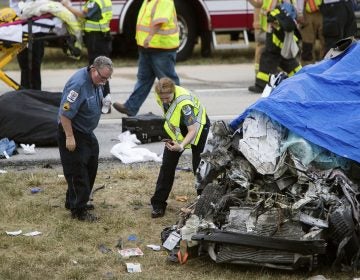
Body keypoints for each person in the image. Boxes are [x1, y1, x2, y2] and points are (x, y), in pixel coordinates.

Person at [57, 56, 113, 222]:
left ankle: (73, 200)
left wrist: (105, 103)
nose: (104, 82)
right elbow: (65, 114)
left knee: (91, 164)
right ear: (93, 69)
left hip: (86, 132)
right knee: (77, 171)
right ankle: (78, 210)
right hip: (72, 131)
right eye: (102, 78)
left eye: (107, 79)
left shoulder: (97, 81)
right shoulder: (78, 85)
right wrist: (69, 137)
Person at [150, 77, 210, 218]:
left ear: (173, 91)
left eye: (167, 98)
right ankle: (158, 204)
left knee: (199, 166)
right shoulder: (160, 94)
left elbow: (192, 130)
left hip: (197, 127)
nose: (164, 101)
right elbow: (172, 115)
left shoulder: (184, 105)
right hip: (177, 127)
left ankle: (204, 204)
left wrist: (181, 146)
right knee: (167, 166)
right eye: (162, 98)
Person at [112, 0, 180, 117]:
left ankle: (178, 111)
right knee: (143, 80)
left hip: (161, 48)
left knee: (167, 83)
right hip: (147, 48)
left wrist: (149, 36)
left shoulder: (163, 1)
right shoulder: (148, 1)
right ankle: (130, 107)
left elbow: (159, 22)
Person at [61, 0, 113, 114]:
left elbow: (84, 14)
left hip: (96, 39)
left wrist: (68, 6)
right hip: (101, 37)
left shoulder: (95, 2)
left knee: (97, 72)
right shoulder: (102, 1)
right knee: (100, 71)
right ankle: (104, 101)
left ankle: (103, 102)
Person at [248, 2, 302, 93]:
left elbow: (269, 9)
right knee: (284, 59)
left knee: (269, 56)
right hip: (281, 24)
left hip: (276, 26)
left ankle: (261, 85)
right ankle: (301, 76)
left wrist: (268, 14)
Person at [9, 0, 45, 90]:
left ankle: (36, 93)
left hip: (37, 29)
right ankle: (25, 93)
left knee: (36, 64)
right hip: (20, 30)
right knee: (24, 65)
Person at [296, 0, 325, 65]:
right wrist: (300, 13)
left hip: (323, 10)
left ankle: (326, 62)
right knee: (307, 41)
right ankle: (307, 65)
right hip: (307, 13)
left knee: (325, 39)